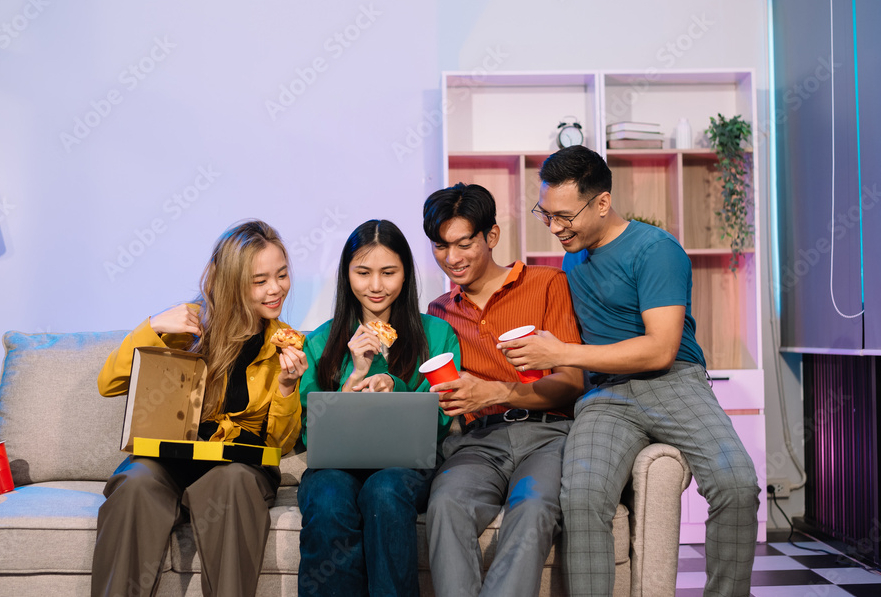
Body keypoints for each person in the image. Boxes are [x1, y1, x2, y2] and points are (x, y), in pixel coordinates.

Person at [506, 145, 760, 597]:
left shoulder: (657, 250)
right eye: (546, 215)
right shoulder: (574, 255)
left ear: (602, 202)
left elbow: (659, 350)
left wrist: (560, 353)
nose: (555, 228)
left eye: (565, 216)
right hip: (606, 397)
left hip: (673, 382)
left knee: (736, 484)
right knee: (581, 497)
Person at [91, 220, 306, 597]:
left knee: (233, 483)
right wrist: (152, 326)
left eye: (282, 275)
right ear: (232, 283)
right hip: (168, 460)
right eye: (260, 281)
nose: (276, 289)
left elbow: (280, 442)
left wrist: (287, 388)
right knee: (135, 484)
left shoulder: (284, 345)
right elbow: (109, 383)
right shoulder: (185, 325)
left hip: (236, 467)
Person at [421, 183, 584, 597]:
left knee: (533, 506)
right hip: (479, 442)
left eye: (464, 243)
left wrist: (495, 392)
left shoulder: (547, 283)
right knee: (445, 503)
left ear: (491, 237)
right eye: (441, 246)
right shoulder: (438, 311)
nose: (452, 258)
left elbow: (571, 381)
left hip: (547, 435)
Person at [297, 219, 460, 597]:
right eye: (363, 272)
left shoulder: (436, 335)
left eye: (388, 272)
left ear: (405, 276)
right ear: (346, 275)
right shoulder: (321, 341)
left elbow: (440, 416)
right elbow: (309, 429)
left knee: (384, 491)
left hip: (405, 467)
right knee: (328, 497)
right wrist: (355, 376)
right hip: (335, 467)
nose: (375, 286)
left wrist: (394, 386)